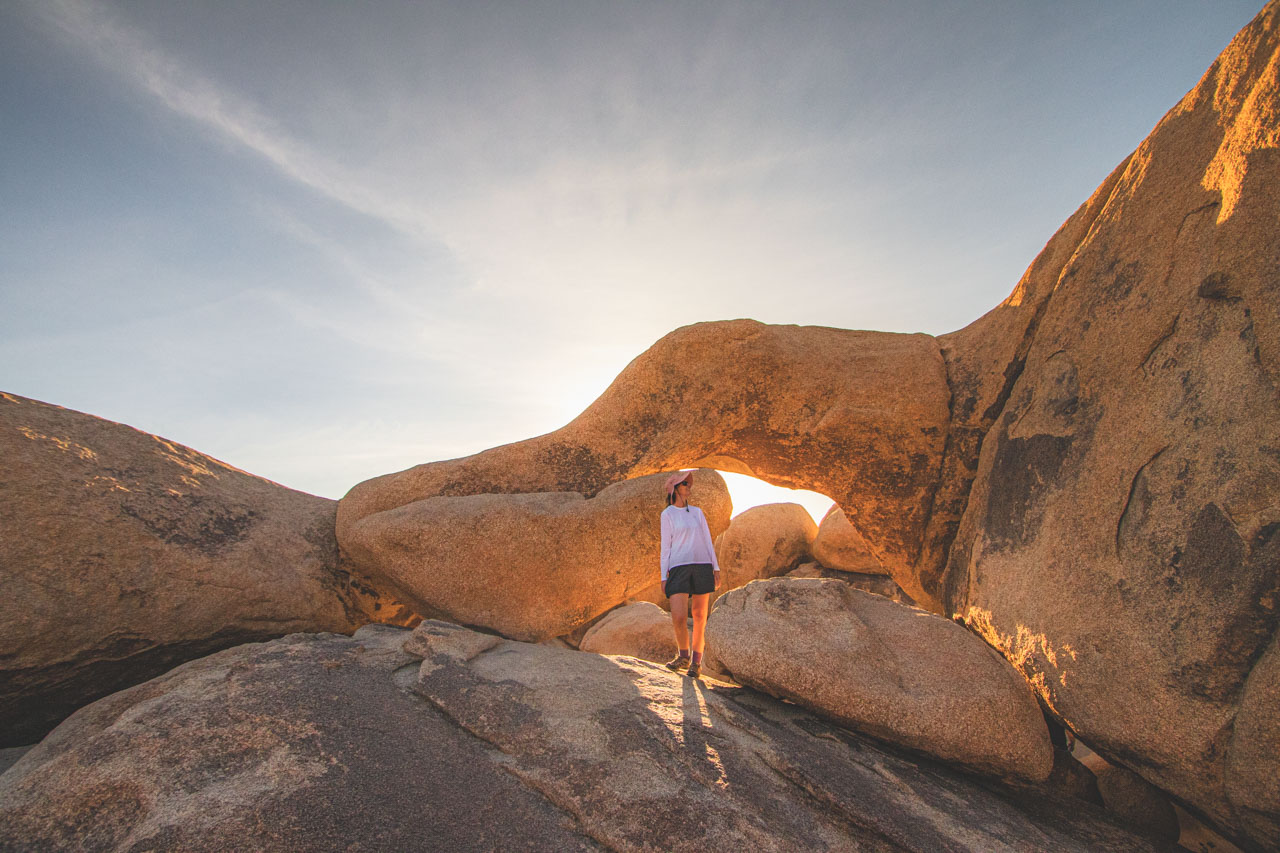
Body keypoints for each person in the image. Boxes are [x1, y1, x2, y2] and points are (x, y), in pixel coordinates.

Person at [659, 470, 721, 679]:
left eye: (688, 483)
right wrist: (663, 576)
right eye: (684, 483)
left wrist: (716, 568)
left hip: (702, 564)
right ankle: (683, 656)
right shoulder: (667, 514)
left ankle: (696, 663)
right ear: (675, 489)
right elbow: (665, 547)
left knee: (700, 616)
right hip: (678, 567)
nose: (688, 486)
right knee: (678, 617)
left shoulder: (697, 512)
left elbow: (707, 539)